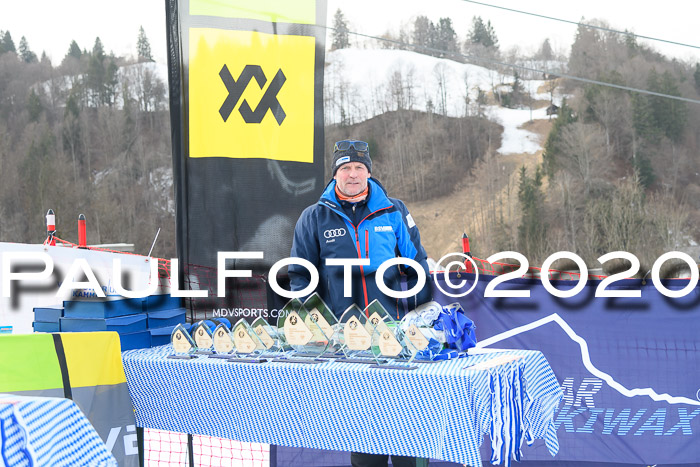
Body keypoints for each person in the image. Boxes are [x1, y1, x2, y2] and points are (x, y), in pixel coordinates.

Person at [289, 139, 431, 467]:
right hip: (347, 344)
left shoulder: (394, 211)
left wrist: (421, 318)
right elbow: (300, 276)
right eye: (345, 168)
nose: (353, 175)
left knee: (410, 432)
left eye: (359, 168)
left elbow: (418, 265)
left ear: (368, 172)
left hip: (396, 340)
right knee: (365, 439)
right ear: (335, 174)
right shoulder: (314, 217)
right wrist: (316, 327)